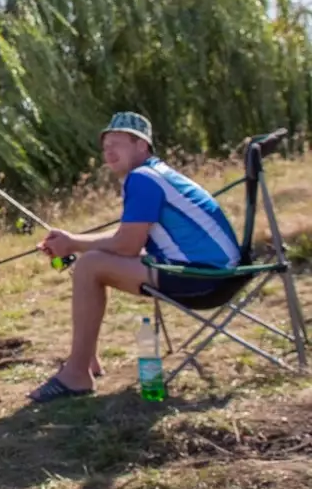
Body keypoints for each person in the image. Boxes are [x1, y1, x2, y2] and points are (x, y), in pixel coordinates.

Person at [30, 111, 241, 402]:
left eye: (118, 143)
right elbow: (130, 241)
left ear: (142, 145)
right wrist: (72, 244)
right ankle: (85, 360)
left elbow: (126, 245)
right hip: (217, 274)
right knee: (90, 262)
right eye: (105, 146)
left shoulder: (142, 179)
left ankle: (77, 374)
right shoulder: (155, 174)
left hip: (204, 277)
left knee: (90, 266)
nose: (109, 152)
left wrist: (73, 243)